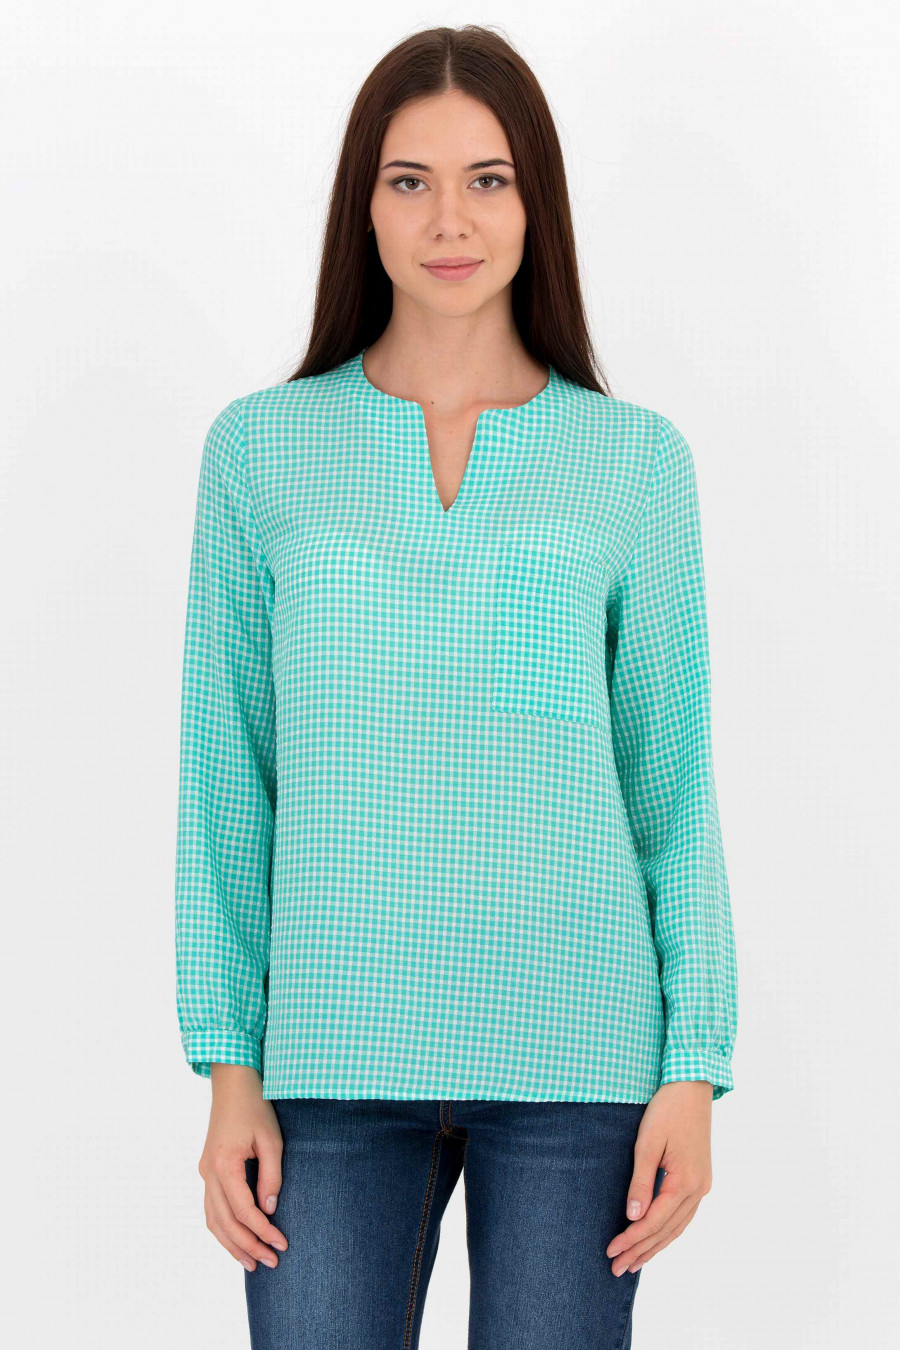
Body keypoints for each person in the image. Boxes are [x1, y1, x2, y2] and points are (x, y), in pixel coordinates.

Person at [174, 24, 738, 1350]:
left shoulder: (634, 464)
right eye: (409, 180)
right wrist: (229, 1064)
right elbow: (227, 775)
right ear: (362, 206)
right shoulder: (261, 452)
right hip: (327, 1059)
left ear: (536, 204)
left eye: (489, 180)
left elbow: (671, 783)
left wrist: (694, 1065)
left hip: (581, 1060)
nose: (450, 220)